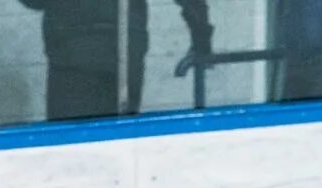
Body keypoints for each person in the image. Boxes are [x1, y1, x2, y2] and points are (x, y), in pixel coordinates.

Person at [23, 0, 212, 121]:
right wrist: (201, 38)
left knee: (70, 144)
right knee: (119, 139)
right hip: (124, 49)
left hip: (72, 51)